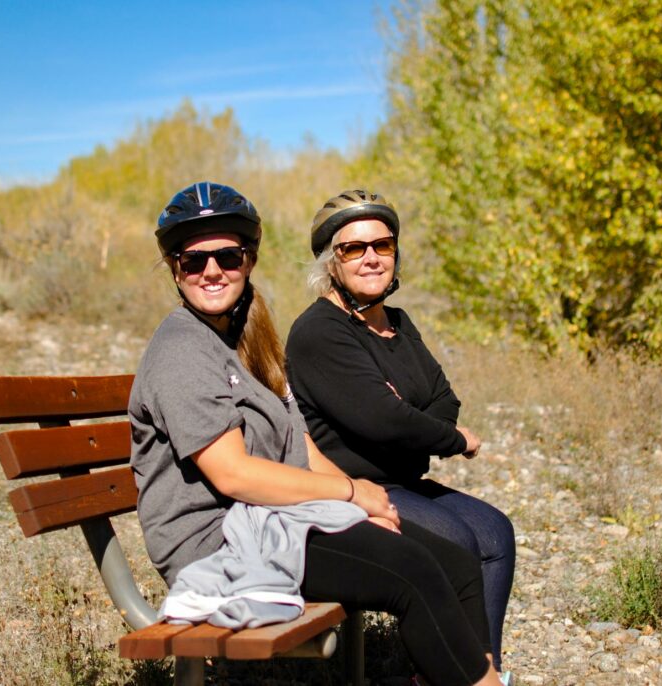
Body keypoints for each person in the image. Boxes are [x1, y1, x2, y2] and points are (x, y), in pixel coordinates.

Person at [129, 181, 504, 686]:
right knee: (413, 571)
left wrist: (358, 505)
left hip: (272, 521)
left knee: (454, 559)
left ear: (249, 260)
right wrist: (352, 490)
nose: (212, 271)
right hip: (220, 543)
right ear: (174, 268)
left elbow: (299, 443)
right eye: (193, 261)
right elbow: (234, 474)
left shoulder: (243, 337)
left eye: (227, 256)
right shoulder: (182, 349)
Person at [285, 190, 517, 679]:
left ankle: (485, 669)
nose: (371, 257)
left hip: (404, 479)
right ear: (332, 262)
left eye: (383, 245)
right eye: (353, 248)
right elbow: (383, 421)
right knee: (456, 539)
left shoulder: (398, 323)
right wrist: (452, 440)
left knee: (496, 531)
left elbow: (444, 402)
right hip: (355, 489)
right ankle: (450, 671)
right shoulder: (320, 332)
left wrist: (407, 415)